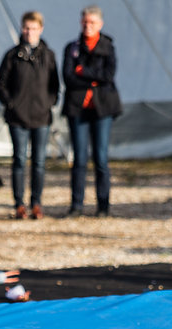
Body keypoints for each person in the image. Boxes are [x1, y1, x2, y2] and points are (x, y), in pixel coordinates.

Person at [0, 10, 60, 220]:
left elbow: (54, 85)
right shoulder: (13, 55)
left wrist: (48, 103)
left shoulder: (48, 55)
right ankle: (19, 204)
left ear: (40, 29)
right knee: (19, 160)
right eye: (26, 28)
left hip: (41, 116)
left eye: (33, 28)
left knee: (39, 162)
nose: (29, 32)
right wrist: (11, 104)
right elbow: (1, 84)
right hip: (18, 117)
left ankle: (36, 203)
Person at [61, 5, 121, 218]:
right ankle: (76, 205)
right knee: (79, 158)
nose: (88, 26)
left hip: (102, 109)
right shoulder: (72, 48)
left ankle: (103, 205)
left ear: (100, 24)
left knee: (101, 158)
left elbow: (108, 75)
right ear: (81, 22)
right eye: (85, 22)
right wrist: (93, 77)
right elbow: (68, 77)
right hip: (78, 108)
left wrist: (83, 71)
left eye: (92, 23)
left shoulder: (107, 46)